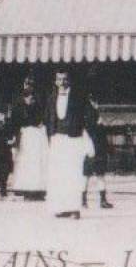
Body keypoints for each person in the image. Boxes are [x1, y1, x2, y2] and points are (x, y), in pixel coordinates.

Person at [43, 70, 93, 219]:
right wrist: (51, 134)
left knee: (73, 174)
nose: (62, 82)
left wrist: (82, 131)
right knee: (58, 175)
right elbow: (47, 117)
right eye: (59, 79)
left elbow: (89, 115)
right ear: (55, 82)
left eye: (65, 79)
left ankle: (74, 209)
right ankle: (62, 207)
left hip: (73, 139)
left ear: (69, 81)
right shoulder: (51, 98)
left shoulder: (78, 98)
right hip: (57, 140)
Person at [10, 77, 49, 200]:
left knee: (37, 163)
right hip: (25, 135)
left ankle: (39, 190)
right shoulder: (18, 104)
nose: (28, 88)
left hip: (37, 135)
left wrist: (40, 123)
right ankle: (26, 190)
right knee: (25, 163)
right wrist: (14, 136)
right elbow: (14, 121)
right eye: (26, 84)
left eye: (30, 85)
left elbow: (43, 116)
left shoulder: (39, 102)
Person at [81, 93, 114, 211]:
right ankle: (102, 201)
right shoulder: (93, 113)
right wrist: (100, 124)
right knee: (98, 175)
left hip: (90, 148)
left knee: (87, 175)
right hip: (95, 148)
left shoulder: (88, 112)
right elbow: (94, 131)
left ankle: (83, 200)